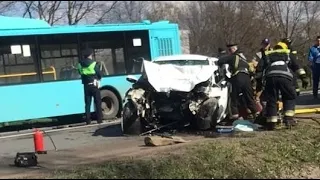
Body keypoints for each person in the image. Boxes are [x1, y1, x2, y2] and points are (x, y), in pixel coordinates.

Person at [257, 42, 308, 130]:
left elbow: (259, 70)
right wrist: (303, 77)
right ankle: (288, 119)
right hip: (285, 76)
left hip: (270, 77)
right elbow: (297, 67)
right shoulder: (288, 54)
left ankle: (271, 122)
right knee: (289, 96)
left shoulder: (267, 55)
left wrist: (259, 84)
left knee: (271, 99)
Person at [217, 43, 258, 122]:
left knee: (234, 98)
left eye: (230, 50)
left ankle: (235, 118)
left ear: (234, 49)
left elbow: (220, 61)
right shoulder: (245, 60)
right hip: (247, 79)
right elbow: (252, 72)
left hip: (238, 77)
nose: (229, 52)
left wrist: (221, 56)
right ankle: (256, 115)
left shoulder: (233, 57)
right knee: (249, 98)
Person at [77, 48, 103, 125]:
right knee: (97, 102)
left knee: (87, 103)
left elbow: (80, 72)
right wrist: (99, 77)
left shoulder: (79, 64)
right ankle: (99, 119)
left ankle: (88, 120)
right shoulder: (94, 64)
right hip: (94, 85)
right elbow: (99, 74)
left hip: (86, 86)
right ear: (90, 55)